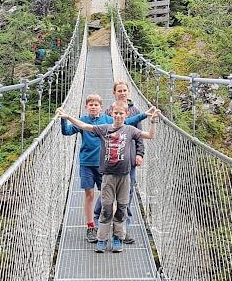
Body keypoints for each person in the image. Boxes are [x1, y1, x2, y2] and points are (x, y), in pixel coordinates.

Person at [57, 104, 159, 253]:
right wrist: (68, 117)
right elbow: (84, 126)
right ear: (111, 113)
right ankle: (102, 239)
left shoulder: (131, 130)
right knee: (106, 207)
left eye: (121, 113)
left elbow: (150, 136)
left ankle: (117, 238)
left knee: (122, 207)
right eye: (116, 113)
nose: (118, 116)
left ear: (126, 114)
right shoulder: (104, 128)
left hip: (124, 176)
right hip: (108, 175)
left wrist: (154, 121)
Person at [95, 81, 144, 243]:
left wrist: (139, 154)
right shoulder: (109, 111)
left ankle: (124, 230)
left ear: (128, 92)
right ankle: (98, 219)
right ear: (114, 92)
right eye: (119, 91)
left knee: (126, 195)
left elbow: (140, 135)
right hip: (110, 160)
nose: (122, 93)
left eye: (125, 90)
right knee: (106, 193)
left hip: (128, 160)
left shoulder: (135, 111)